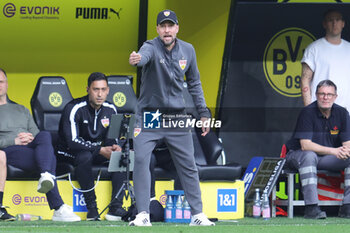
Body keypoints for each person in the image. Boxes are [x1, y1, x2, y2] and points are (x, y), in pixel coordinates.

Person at [128, 9, 215, 226]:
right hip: (150, 116)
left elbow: (194, 83)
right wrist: (137, 59)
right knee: (140, 160)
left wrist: (203, 113)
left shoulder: (188, 50)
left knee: (188, 165)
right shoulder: (149, 46)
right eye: (162, 26)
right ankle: (142, 214)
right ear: (157, 29)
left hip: (176, 116)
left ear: (177, 28)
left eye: (170, 26)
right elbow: (143, 57)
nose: (166, 30)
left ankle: (197, 214)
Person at [0, 68, 80, 222]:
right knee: (49, 159)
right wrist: (14, 141)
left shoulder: (21, 109)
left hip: (29, 148)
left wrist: (30, 138)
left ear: (7, 84)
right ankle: (58, 207)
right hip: (8, 150)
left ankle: (46, 176)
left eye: (1, 81)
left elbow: (37, 135)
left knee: (44, 135)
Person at [56, 72, 127, 221]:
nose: (99, 94)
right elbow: (72, 142)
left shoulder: (111, 109)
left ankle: (115, 207)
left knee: (120, 156)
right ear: (88, 89)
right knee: (85, 156)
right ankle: (92, 208)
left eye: (103, 89)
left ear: (108, 90)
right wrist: (100, 150)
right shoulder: (74, 108)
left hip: (95, 151)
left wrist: (114, 147)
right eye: (96, 89)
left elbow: (111, 139)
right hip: (69, 152)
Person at [286, 80, 350, 219]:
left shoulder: (342, 113)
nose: (325, 97)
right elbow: (305, 145)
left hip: (324, 159)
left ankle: (347, 207)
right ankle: (311, 207)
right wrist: (335, 151)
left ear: (335, 96)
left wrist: (346, 151)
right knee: (309, 156)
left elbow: (347, 143)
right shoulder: (307, 112)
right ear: (316, 95)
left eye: (329, 94)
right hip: (297, 156)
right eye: (322, 94)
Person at [301, 9, 350, 110]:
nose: (334, 23)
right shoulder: (314, 48)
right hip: (321, 112)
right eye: (330, 20)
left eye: (337, 20)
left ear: (343, 23)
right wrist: (309, 111)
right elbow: (305, 80)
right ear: (324, 24)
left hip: (347, 111)